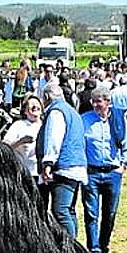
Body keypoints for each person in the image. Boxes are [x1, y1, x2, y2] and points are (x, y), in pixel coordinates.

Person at [80, 87, 127, 253]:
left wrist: (123, 166)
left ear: (108, 102)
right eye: (93, 101)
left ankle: (104, 245)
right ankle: (94, 249)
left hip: (113, 173)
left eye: (99, 102)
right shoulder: (85, 120)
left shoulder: (118, 119)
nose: (95, 105)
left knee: (110, 213)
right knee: (91, 213)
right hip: (92, 173)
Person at [36, 81, 87, 240]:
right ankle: (74, 245)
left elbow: (54, 138)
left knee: (60, 211)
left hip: (64, 167)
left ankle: (70, 248)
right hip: (76, 166)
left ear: (46, 96)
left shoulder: (56, 112)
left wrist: (48, 163)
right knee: (69, 210)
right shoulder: (72, 112)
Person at [3, 95, 45, 184]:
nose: (35, 106)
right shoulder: (19, 125)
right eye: (31, 104)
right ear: (25, 111)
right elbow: (4, 146)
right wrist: (21, 141)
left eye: (37, 104)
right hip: (23, 172)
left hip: (41, 174)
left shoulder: (46, 126)